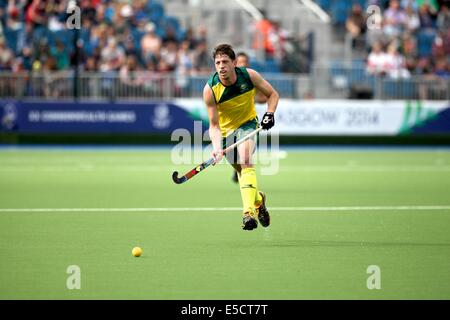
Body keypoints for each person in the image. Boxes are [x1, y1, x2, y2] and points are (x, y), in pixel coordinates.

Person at [203, 44, 279, 231]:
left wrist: (270, 113)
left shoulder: (249, 75)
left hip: (248, 125)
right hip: (226, 134)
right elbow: (214, 125)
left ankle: (248, 214)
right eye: (217, 62)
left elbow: (273, 95)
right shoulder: (210, 90)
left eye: (225, 62)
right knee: (242, 173)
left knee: (246, 160)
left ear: (234, 63)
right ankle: (259, 201)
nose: (221, 66)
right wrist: (216, 147)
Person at [230, 51, 268, 183]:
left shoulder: (251, 78)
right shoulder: (228, 80)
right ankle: (238, 170)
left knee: (245, 154)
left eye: (245, 62)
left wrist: (254, 98)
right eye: (240, 62)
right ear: (234, 63)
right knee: (233, 155)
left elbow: (265, 96)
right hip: (229, 124)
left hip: (248, 122)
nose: (242, 65)